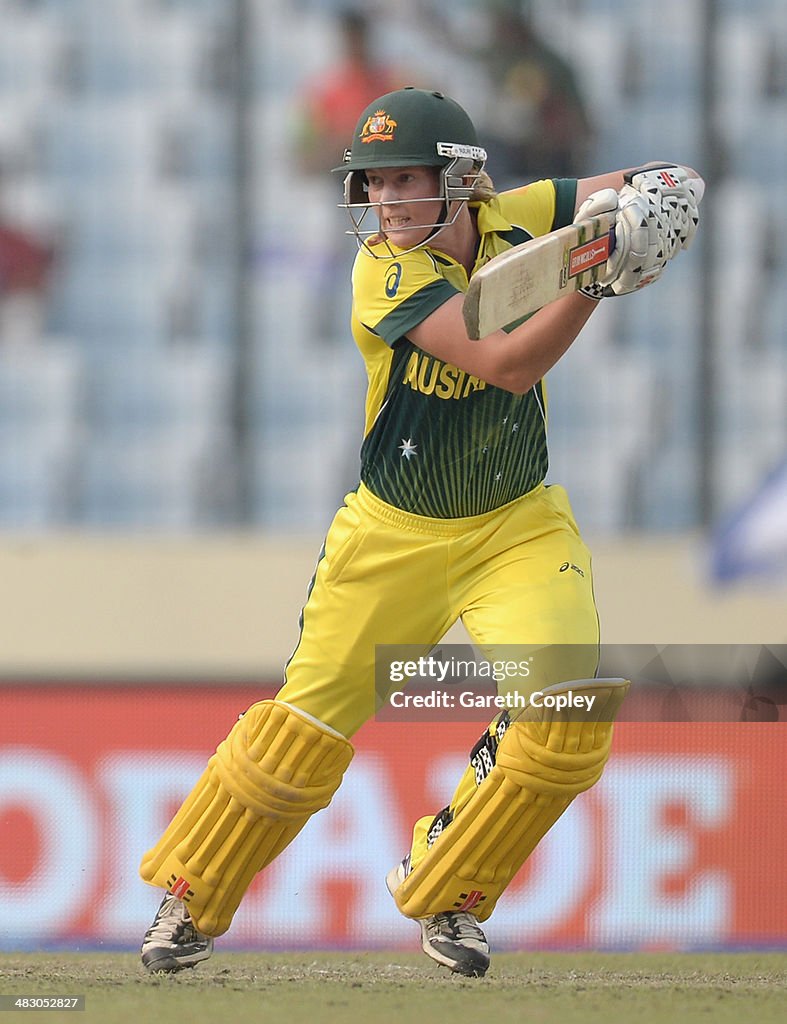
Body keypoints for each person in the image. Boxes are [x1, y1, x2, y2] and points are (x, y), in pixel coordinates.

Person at [138, 87, 702, 977]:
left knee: (563, 718)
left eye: (406, 181)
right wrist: (598, 275)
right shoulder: (384, 273)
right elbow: (508, 366)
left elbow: (636, 182)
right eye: (373, 185)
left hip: (515, 526)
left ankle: (455, 894)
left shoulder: (519, 217)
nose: (387, 203)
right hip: (390, 539)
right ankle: (190, 896)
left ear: (461, 181)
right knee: (304, 733)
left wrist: (666, 190)